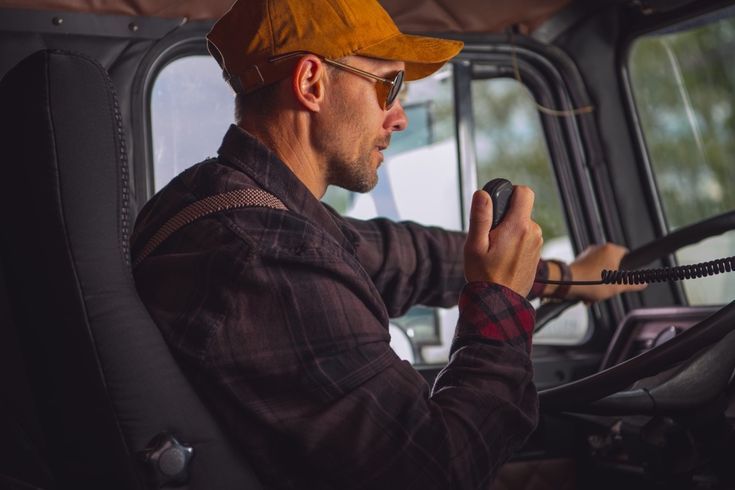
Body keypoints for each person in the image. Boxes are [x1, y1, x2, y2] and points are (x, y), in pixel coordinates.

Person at [131, 0, 642, 487]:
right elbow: (437, 471)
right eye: (388, 85)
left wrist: (566, 278)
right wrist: (500, 303)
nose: (398, 117)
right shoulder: (262, 256)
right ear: (311, 83)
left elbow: (401, 257)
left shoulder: (223, 200)